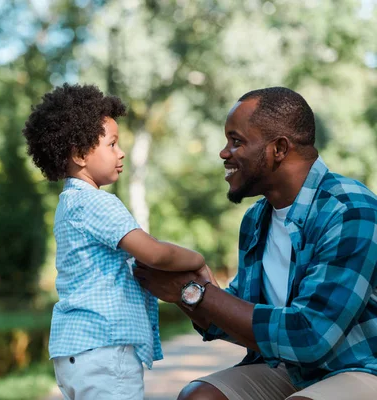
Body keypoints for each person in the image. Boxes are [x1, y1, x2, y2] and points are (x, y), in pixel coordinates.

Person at [135, 86, 377, 400]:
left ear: (278, 148)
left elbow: (311, 335)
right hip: (291, 369)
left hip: (358, 367)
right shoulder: (256, 219)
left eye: (236, 141)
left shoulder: (350, 210)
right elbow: (237, 313)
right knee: (200, 396)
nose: (224, 152)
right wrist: (183, 288)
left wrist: (195, 293)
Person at [23, 83, 208, 399]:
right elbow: (155, 254)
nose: (120, 152)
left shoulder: (70, 203)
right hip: (105, 348)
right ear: (80, 155)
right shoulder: (96, 202)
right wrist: (198, 259)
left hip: (77, 351)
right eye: (112, 144)